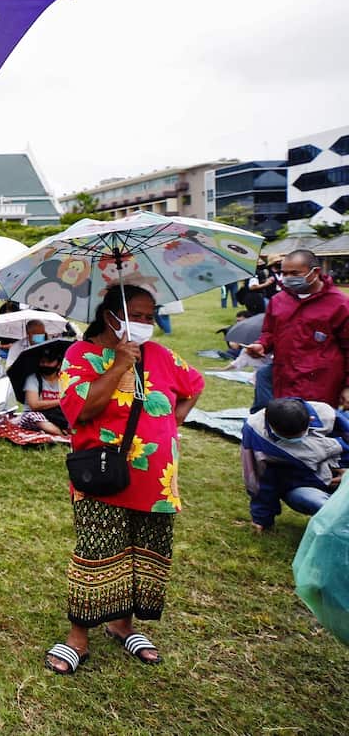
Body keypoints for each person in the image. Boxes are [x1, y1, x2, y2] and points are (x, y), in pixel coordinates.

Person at [45, 285, 203, 675]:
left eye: (152, 316)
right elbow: (79, 411)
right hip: (103, 476)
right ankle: (78, 637)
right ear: (112, 315)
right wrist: (117, 366)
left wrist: (173, 420)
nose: (147, 324)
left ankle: (122, 625)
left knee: (143, 555)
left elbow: (194, 385)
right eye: (139, 315)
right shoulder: (81, 355)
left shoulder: (159, 355)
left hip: (158, 482)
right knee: (96, 553)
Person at [244, 250, 349, 409]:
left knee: (315, 428)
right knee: (281, 424)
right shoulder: (278, 300)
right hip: (284, 377)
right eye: (284, 273)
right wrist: (262, 345)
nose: (288, 278)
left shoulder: (339, 304)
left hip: (321, 384)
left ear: (316, 272)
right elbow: (270, 332)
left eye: (295, 273)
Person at [242, 397, 348, 532]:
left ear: (310, 420)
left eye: (298, 435)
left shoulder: (326, 415)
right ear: (271, 426)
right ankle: (338, 519)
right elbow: (258, 479)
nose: (295, 441)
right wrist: (261, 517)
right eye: (287, 438)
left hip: (341, 473)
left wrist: (346, 475)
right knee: (312, 501)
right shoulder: (257, 435)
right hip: (304, 485)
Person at [18, 343, 69, 436]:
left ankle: (57, 430)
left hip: (57, 416)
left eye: (49, 362)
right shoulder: (33, 379)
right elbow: (34, 405)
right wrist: (60, 401)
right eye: (42, 362)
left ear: (59, 364)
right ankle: (60, 433)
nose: (45, 365)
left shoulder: (64, 380)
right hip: (36, 415)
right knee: (33, 417)